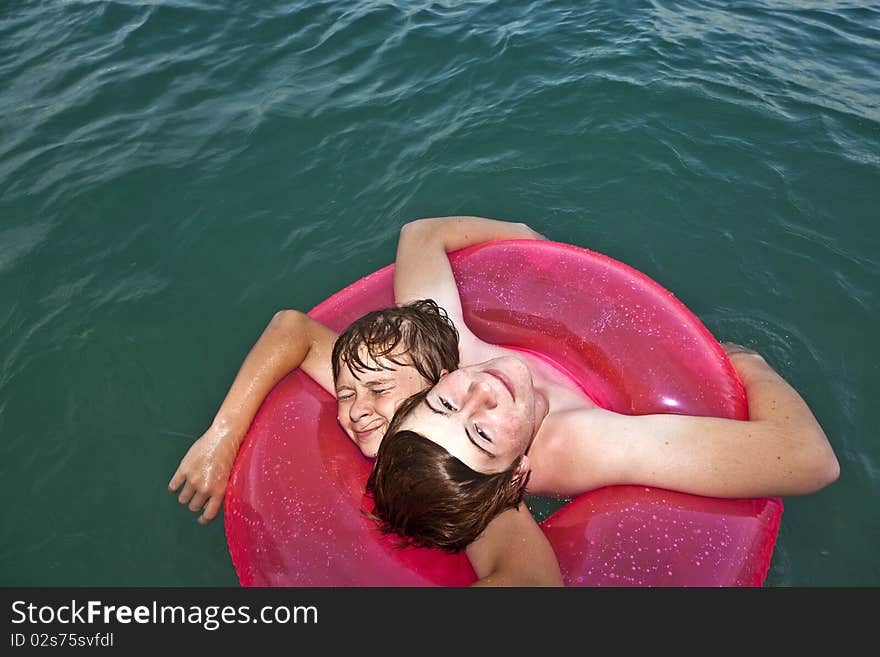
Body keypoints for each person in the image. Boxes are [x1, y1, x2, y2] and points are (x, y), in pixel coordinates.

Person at [365, 215, 842, 552]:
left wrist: (529, 240)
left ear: (434, 382)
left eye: (446, 403)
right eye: (483, 434)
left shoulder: (444, 350)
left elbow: (420, 235)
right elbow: (810, 460)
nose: (481, 395)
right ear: (517, 474)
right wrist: (750, 363)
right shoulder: (581, 444)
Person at [169, 223, 563, 586]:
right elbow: (293, 329)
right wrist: (222, 436)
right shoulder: (386, 401)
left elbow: (531, 581)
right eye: (345, 393)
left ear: (433, 386)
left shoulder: (464, 475)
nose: (357, 409)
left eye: (378, 391)